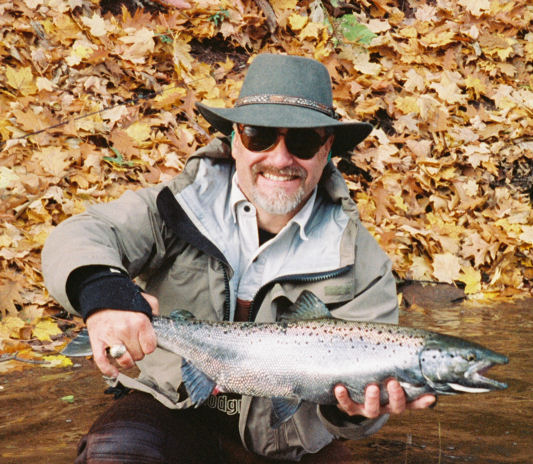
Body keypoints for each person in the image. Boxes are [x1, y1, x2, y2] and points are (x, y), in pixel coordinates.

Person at [42, 54, 435, 463]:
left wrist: (351, 413)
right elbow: (81, 235)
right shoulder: (175, 208)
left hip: (288, 441)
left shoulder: (363, 263)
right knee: (114, 454)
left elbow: (359, 414)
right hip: (169, 410)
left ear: (327, 148)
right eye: (260, 136)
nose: (280, 159)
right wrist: (105, 295)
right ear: (234, 139)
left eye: (302, 142)